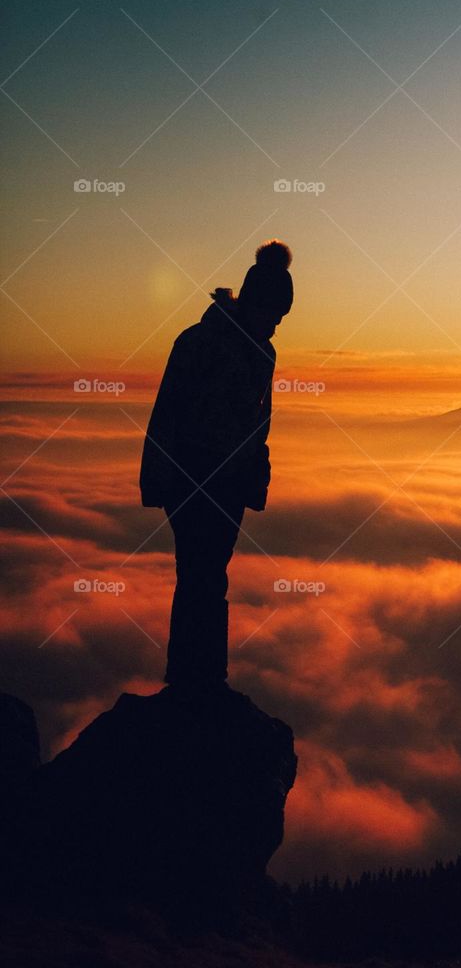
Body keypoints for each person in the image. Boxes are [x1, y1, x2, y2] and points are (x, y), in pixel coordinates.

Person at [140, 240, 293, 690]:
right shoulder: (200, 343)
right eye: (273, 312)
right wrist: (163, 480)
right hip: (192, 476)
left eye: (282, 316)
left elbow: (257, 424)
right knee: (199, 574)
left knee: (209, 575)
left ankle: (204, 676)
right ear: (254, 301)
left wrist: (252, 475)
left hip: (227, 481)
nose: (278, 323)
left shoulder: (261, 351)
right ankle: (193, 681)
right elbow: (170, 414)